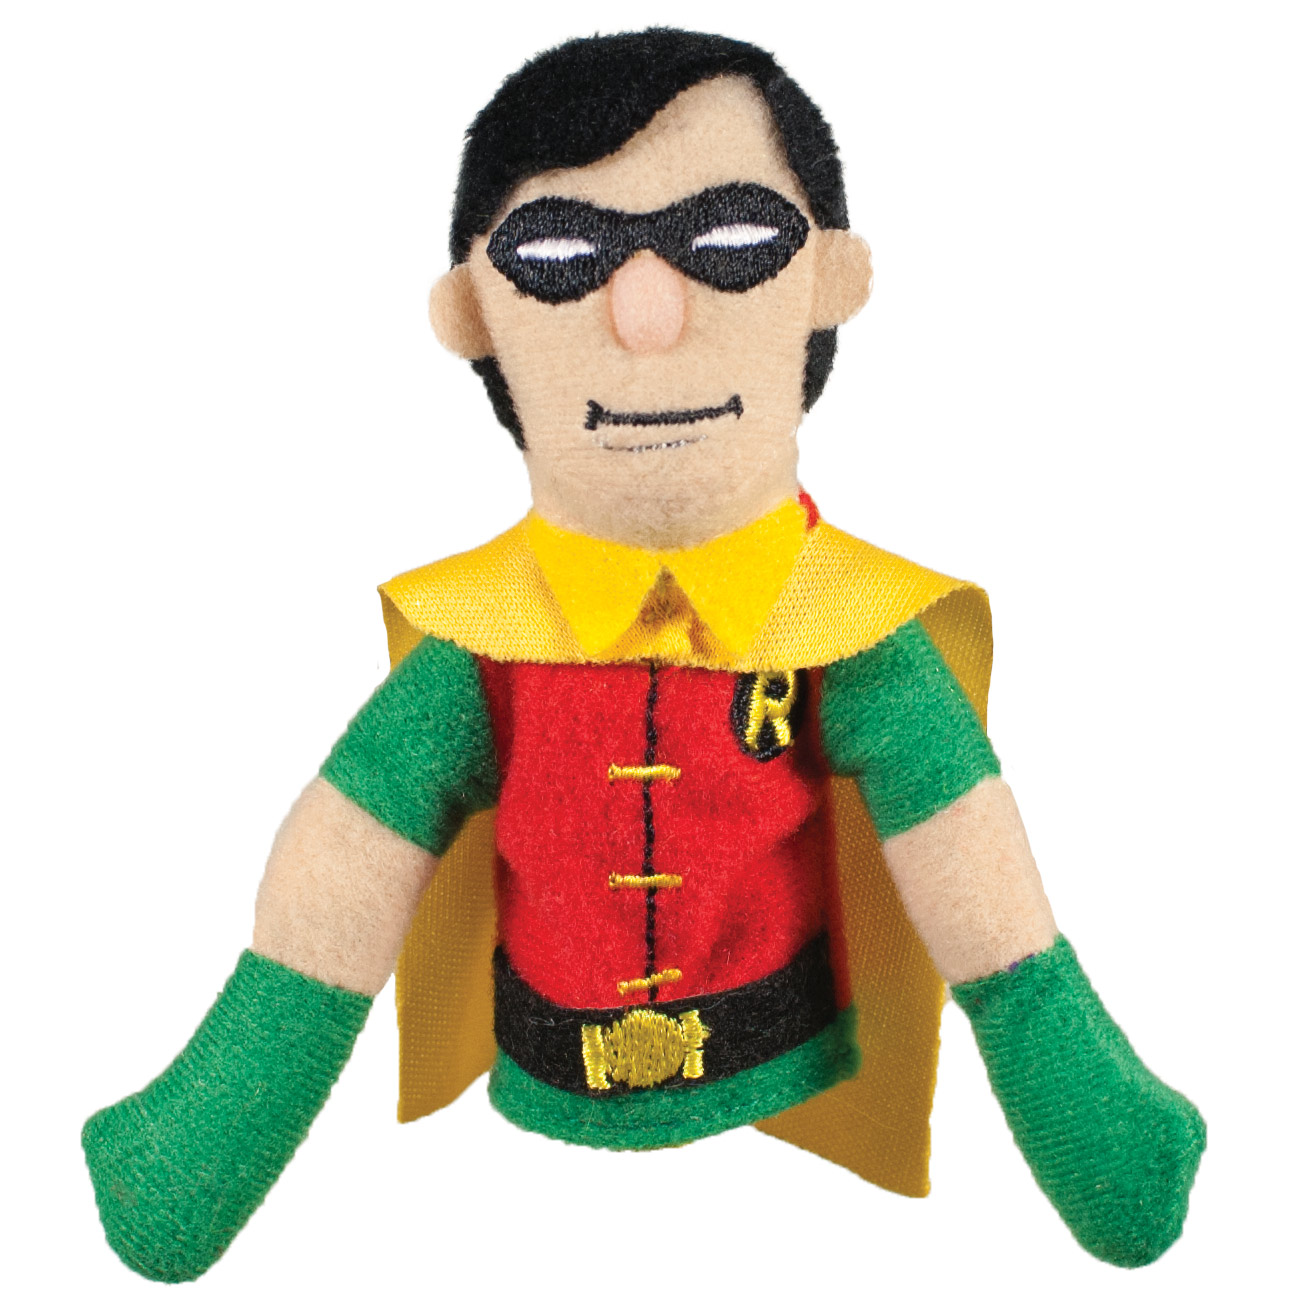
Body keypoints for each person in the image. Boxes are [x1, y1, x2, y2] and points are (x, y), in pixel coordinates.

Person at [82, 29, 1205, 1283]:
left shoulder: (840, 619)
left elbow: (969, 855)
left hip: (791, 1114)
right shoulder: (485, 635)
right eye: (561, 257)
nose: (648, 311)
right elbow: (346, 856)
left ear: (828, 276)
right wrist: (227, 1090)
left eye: (728, 238)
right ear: (472, 310)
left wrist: (1062, 1060)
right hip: (509, 1156)